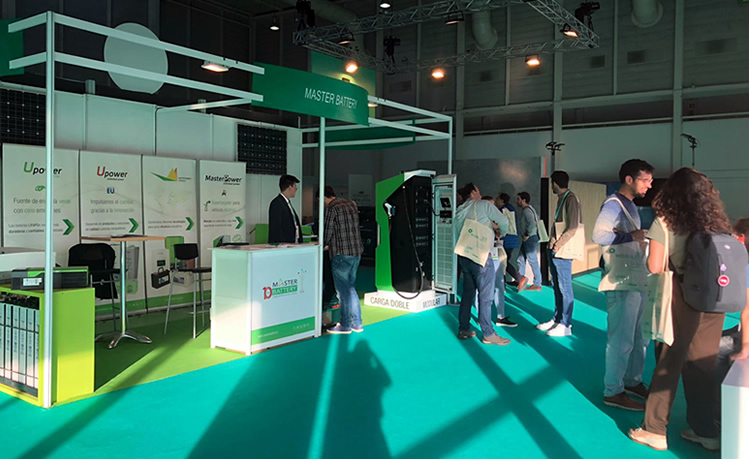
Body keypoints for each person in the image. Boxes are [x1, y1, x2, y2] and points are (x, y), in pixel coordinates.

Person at [629, 168, 734, 452]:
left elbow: (655, 266)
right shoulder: (716, 222)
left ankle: (654, 429)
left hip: (681, 296)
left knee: (668, 361)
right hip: (714, 299)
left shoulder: (666, 221)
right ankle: (705, 430)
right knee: (702, 364)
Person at [592, 159, 654, 411]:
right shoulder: (613, 204)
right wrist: (631, 236)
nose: (649, 185)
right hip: (621, 280)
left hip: (634, 277)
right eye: (645, 180)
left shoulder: (630, 205)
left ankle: (632, 380)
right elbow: (599, 235)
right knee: (621, 337)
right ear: (629, 179)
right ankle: (613, 390)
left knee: (639, 335)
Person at [455, 183, 511, 345]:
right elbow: (503, 221)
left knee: (467, 294)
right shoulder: (484, 205)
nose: (480, 193)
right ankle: (488, 333)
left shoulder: (459, 210)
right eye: (478, 190)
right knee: (485, 297)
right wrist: (501, 232)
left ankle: (464, 328)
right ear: (473, 192)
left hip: (464, 256)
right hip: (481, 256)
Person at [537, 171, 581, 337]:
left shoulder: (571, 199)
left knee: (564, 287)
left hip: (562, 251)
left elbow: (573, 227)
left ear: (554, 183)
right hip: (555, 249)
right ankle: (557, 319)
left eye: (551, 184)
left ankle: (565, 324)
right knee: (557, 286)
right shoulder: (562, 199)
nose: (551, 187)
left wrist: (557, 245)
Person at [323, 186, 365, 334]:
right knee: (350, 288)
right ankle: (357, 323)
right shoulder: (352, 204)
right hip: (356, 252)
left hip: (341, 254)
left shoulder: (332, 208)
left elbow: (327, 231)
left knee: (343, 291)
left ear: (323, 198)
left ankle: (346, 325)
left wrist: (323, 244)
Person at [496, 193, 529, 291]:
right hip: (513, 239)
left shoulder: (502, 210)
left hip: (505, 239)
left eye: (497, 199)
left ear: (502, 201)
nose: (496, 201)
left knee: (502, 262)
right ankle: (509, 282)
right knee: (504, 262)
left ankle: (519, 279)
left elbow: (501, 225)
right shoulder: (512, 209)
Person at [515, 192, 543, 292]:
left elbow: (532, 224)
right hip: (530, 238)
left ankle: (537, 283)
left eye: (518, 199)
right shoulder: (531, 209)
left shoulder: (526, 211)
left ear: (524, 200)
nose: (516, 201)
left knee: (532, 260)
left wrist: (527, 235)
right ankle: (521, 280)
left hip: (529, 238)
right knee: (521, 259)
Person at [268, 174, 303, 244]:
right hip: (283, 246)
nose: (296, 188)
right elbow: (276, 228)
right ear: (290, 187)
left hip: (292, 244)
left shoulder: (287, 203)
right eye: (295, 186)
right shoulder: (277, 204)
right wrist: (284, 245)